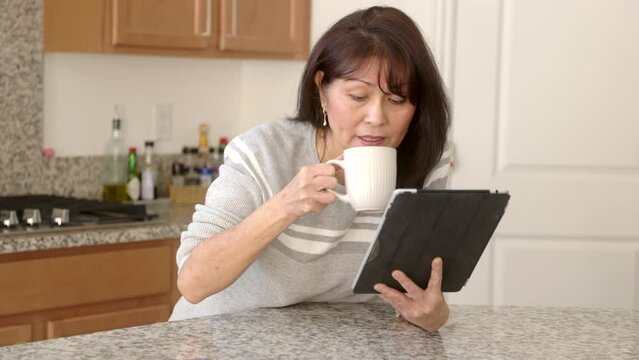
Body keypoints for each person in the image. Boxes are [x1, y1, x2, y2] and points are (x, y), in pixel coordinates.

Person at [170, 6, 452, 331]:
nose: (377, 117)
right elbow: (192, 282)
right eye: (358, 97)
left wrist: (433, 314)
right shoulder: (264, 152)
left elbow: (421, 292)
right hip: (217, 339)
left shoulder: (427, 159)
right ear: (322, 89)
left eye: (398, 100)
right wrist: (284, 207)